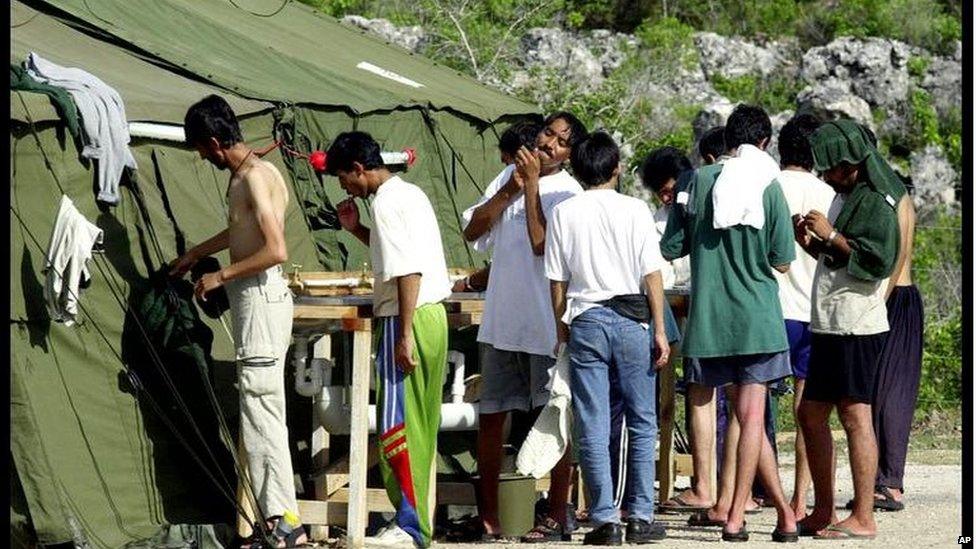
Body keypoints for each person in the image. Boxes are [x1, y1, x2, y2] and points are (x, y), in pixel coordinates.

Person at [170, 95, 308, 548]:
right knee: (258, 410)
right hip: (254, 302)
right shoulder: (251, 176)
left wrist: (220, 275)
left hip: (261, 300)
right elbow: (242, 231)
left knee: (263, 411)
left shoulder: (253, 178)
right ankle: (275, 517)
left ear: (213, 141)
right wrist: (196, 253)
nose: (202, 157)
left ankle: (284, 519)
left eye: (201, 150)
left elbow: (275, 249)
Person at [662, 104, 798, 542]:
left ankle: (761, 512)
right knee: (751, 418)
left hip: (709, 320)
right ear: (763, 144)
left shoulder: (696, 183)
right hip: (758, 319)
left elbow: (672, 247)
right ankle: (747, 513)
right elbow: (781, 261)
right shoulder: (770, 187)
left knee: (730, 413)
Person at [461, 112, 587, 542]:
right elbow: (472, 230)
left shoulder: (569, 192)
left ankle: (555, 511)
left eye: (561, 141)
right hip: (501, 322)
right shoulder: (506, 177)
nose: (550, 143)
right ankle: (489, 516)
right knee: (492, 417)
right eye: (547, 133)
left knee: (552, 419)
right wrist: (510, 189)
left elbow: (542, 246)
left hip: (545, 327)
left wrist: (531, 187)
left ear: (570, 154)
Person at [545, 131, 670, 546]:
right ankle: (640, 514)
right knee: (642, 420)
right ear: (616, 168)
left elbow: (558, 282)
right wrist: (661, 329)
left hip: (586, 318)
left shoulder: (564, 212)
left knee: (593, 422)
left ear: (577, 170)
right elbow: (652, 275)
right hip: (633, 318)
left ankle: (604, 519)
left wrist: (561, 328)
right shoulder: (635, 209)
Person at [328, 131, 452, 548]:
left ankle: (411, 525)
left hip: (408, 317)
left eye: (345, 179)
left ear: (359, 169)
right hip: (433, 316)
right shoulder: (409, 193)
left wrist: (402, 335)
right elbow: (400, 255)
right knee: (421, 423)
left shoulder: (384, 203)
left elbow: (407, 271)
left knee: (397, 425)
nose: (345, 187)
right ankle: (415, 521)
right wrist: (356, 229)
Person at [796, 119, 904, 540]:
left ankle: (863, 515)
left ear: (849, 162)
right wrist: (814, 242)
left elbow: (877, 259)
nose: (825, 176)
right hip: (831, 321)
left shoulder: (876, 200)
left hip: (856, 323)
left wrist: (832, 234)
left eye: (830, 168)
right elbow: (843, 253)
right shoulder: (848, 193)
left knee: (855, 415)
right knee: (811, 411)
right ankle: (824, 508)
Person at [770, 114, 836, 521]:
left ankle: (757, 492)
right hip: (812, 311)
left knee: (755, 407)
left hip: (771, 309)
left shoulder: (769, 187)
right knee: (807, 411)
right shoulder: (829, 194)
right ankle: (799, 498)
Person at [868, 180, 921, 511]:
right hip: (881, 299)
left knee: (894, 394)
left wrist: (880, 301)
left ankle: (890, 482)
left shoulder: (896, 197)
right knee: (871, 393)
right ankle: (877, 479)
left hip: (896, 298)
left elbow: (898, 254)